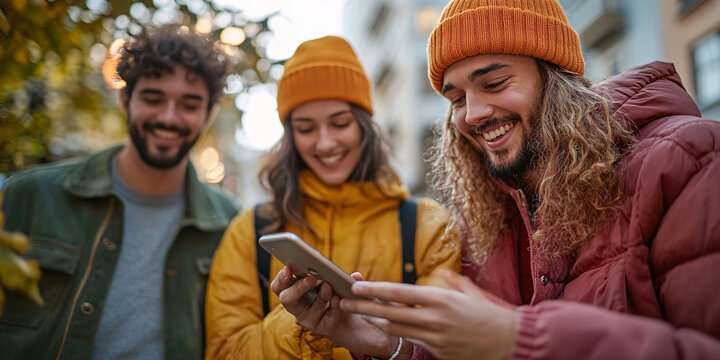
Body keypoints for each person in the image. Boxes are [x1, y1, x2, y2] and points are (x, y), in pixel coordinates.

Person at [271, 0, 720, 359]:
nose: (474, 113)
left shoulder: (687, 160)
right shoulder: (485, 221)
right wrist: (391, 346)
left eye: (495, 82)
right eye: (457, 98)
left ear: (555, 76)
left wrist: (520, 338)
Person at [204, 35, 459, 359]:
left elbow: (452, 346)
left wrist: (385, 341)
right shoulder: (250, 231)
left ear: (364, 126)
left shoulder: (428, 226)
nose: (325, 143)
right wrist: (303, 325)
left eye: (340, 123)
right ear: (290, 136)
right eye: (307, 128)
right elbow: (224, 351)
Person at [0, 25, 240, 359]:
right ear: (125, 99)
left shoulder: (232, 227)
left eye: (189, 104)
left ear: (209, 114)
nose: (169, 117)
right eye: (153, 99)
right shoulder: (28, 195)